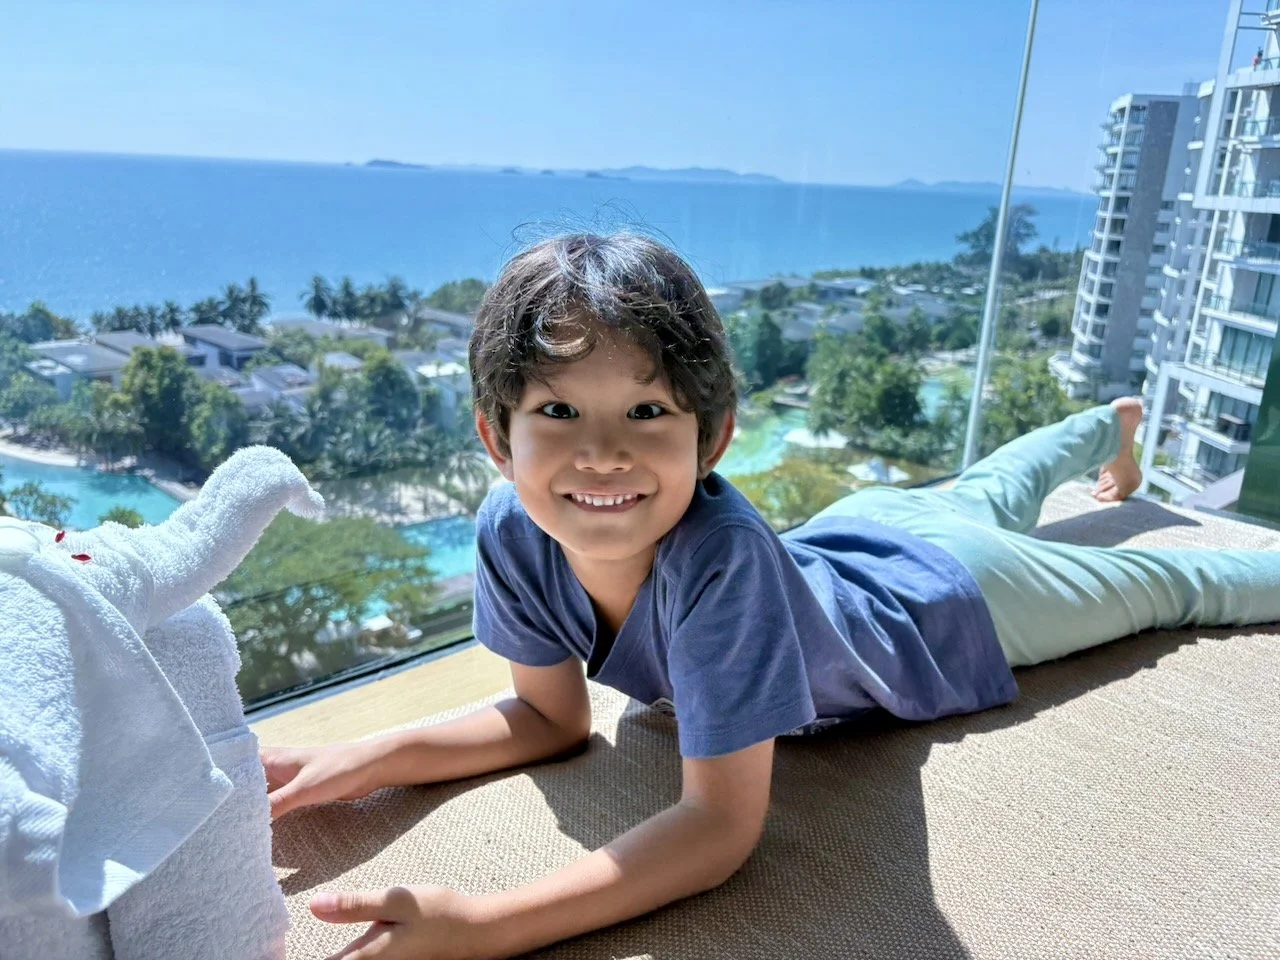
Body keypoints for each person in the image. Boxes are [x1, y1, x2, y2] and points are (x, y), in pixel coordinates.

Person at [261, 233, 1280, 960]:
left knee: (1174, 583)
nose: (601, 452)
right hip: (856, 530)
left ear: (711, 438)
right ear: (498, 437)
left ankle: (1109, 433)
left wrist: (488, 925)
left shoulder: (720, 560)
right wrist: (363, 759)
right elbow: (549, 719)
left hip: (952, 599)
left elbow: (716, 827)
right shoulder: (510, 530)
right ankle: (1106, 424)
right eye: (558, 411)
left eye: (647, 411)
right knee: (984, 488)